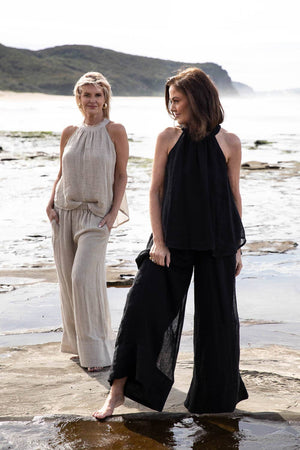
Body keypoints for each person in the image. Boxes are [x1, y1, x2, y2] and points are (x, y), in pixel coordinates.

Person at [93, 67, 248, 418]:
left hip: (218, 243)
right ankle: (117, 392)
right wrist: (158, 243)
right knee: (141, 308)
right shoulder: (167, 138)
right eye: (170, 101)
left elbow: (234, 196)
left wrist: (237, 246)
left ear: (197, 98)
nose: (172, 107)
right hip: (172, 242)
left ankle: (213, 402)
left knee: (219, 323)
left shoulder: (230, 142)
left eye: (176, 100)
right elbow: (155, 191)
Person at [46, 72, 129, 372]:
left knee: (84, 279)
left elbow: (121, 176)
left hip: (96, 216)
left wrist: (111, 214)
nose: (92, 100)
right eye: (86, 95)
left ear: (106, 99)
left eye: (97, 95)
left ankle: (96, 352)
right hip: (63, 211)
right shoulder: (69, 131)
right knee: (68, 281)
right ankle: (76, 345)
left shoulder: (115, 131)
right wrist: (49, 202)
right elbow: (61, 172)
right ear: (78, 99)